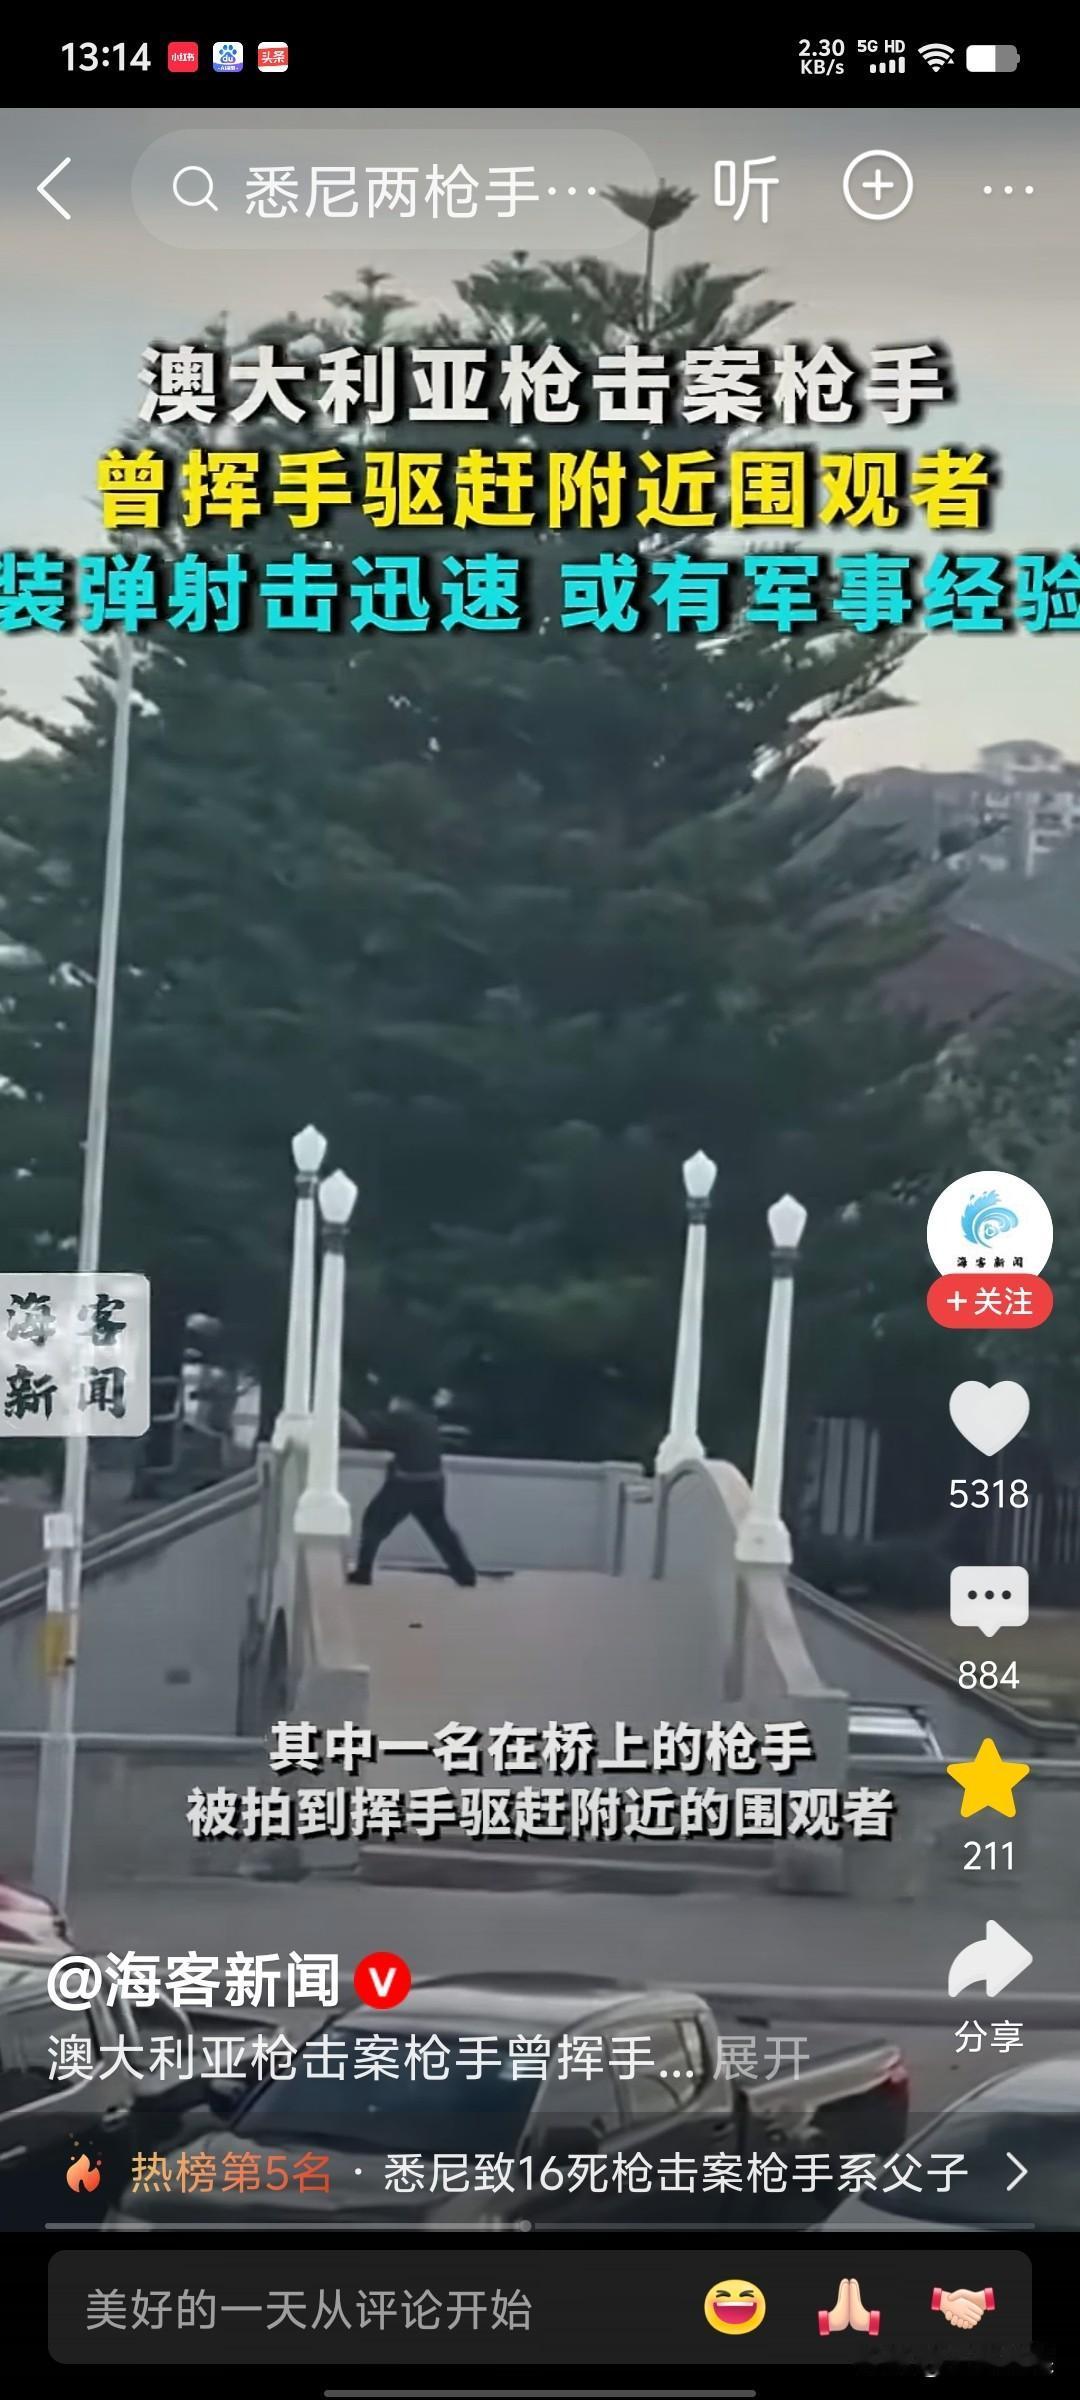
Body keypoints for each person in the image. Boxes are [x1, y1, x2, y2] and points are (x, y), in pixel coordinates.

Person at [347, 1394, 477, 1586]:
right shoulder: (429, 1420)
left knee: (373, 1522)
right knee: (440, 1530)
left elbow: (361, 1433)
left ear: (403, 1402)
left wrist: (343, 1415)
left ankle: (363, 1572)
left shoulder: (401, 1418)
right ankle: (465, 1574)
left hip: (407, 1482)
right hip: (434, 1481)